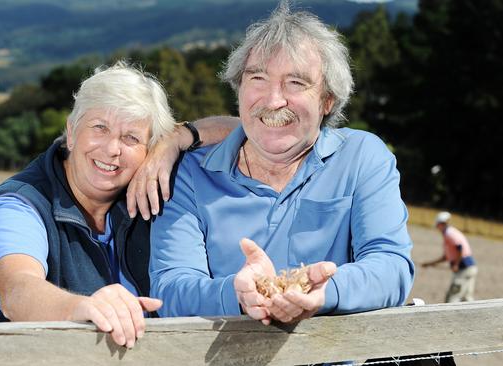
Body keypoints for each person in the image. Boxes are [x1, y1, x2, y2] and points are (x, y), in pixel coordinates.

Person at [149, 1, 414, 324]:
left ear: (327, 100)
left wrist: (327, 292)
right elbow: (170, 288)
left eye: (296, 83)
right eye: (258, 78)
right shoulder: (191, 174)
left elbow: (392, 267)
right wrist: (237, 293)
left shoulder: (361, 157)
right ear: (239, 89)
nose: (274, 100)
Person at [0, 61, 236, 348]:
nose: (112, 149)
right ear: (71, 131)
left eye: (131, 138)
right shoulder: (18, 205)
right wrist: (80, 308)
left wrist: (179, 139)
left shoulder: (147, 188)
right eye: (99, 128)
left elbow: (247, 131)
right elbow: (18, 291)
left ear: (149, 150)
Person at [422, 211, 478, 303]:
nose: (437, 228)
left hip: (463, 269)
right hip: (470, 267)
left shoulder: (449, 234)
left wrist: (456, 264)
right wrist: (429, 264)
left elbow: (460, 247)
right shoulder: (450, 233)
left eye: (438, 225)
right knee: (467, 298)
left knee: (453, 297)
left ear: (441, 224)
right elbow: (446, 257)